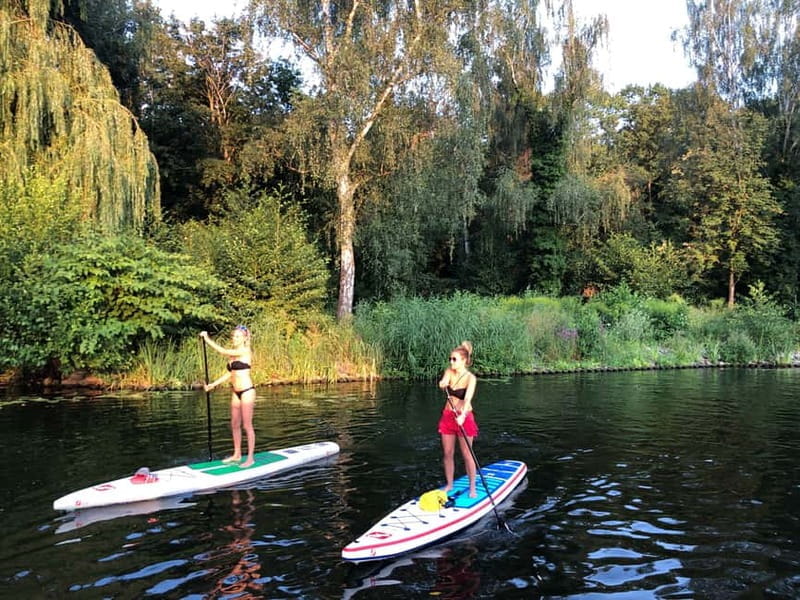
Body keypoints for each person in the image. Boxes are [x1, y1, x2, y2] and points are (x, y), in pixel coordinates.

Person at [201, 326, 256, 468]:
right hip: (235, 392)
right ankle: (237, 454)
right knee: (234, 424)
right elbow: (229, 373)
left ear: (244, 338)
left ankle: (250, 458)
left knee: (247, 425)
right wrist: (213, 384)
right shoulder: (233, 355)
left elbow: (222, 351)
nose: (235, 339)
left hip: (247, 391)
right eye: (233, 336)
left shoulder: (244, 351)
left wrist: (207, 339)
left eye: (238, 336)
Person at [437, 340, 479, 497]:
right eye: (450, 359)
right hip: (448, 416)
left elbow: (467, 400)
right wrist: (442, 383)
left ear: (463, 361)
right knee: (447, 453)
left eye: (454, 359)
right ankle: (449, 485)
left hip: (464, 417)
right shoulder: (449, 371)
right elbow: (444, 381)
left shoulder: (470, 378)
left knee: (467, 454)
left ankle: (473, 487)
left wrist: (462, 416)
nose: (451, 361)